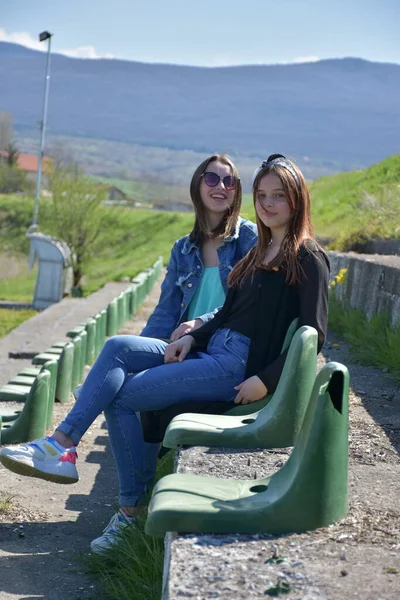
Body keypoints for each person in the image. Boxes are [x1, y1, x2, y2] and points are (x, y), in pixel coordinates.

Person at [0, 154, 330, 554]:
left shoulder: (308, 257)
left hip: (234, 366)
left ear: (297, 199)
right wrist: (192, 335)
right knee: (118, 347)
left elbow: (314, 336)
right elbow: (226, 312)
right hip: (212, 346)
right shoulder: (259, 250)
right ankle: (60, 445)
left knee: (123, 397)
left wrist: (266, 380)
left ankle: (128, 513)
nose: (268, 203)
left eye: (278, 195)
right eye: (262, 195)